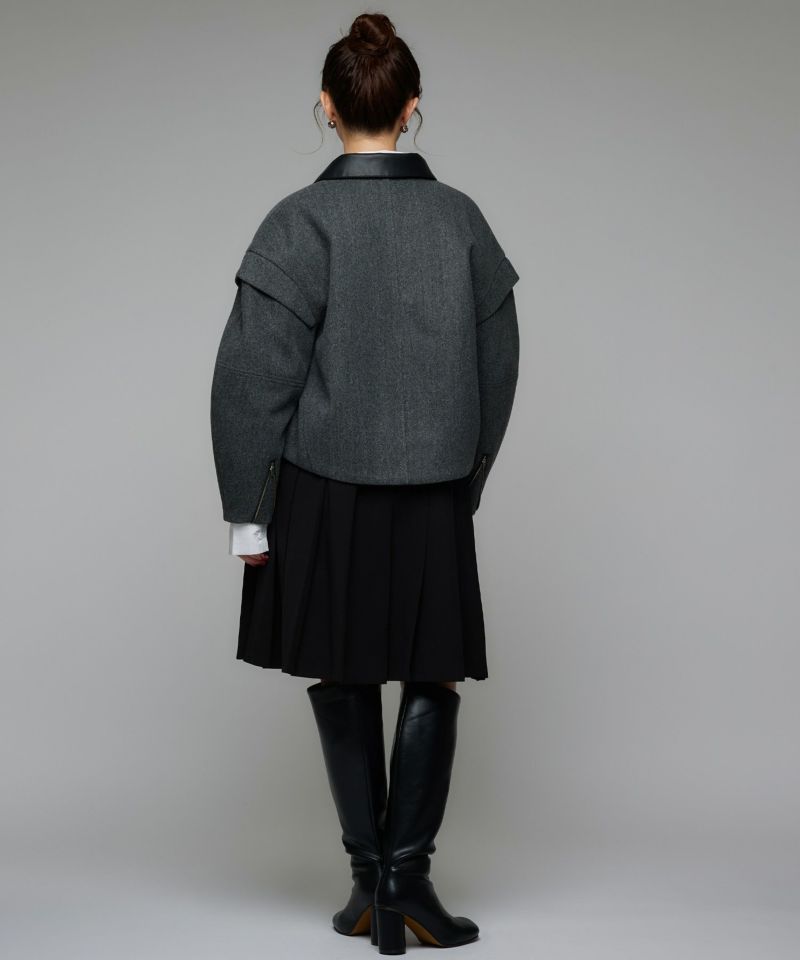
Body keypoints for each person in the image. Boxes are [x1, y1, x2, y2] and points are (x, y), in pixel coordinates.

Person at [210, 11, 520, 954]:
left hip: (324, 486)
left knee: (344, 670)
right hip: (434, 484)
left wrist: (248, 512)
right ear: (413, 106)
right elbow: (499, 364)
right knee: (433, 670)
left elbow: (249, 377)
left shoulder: (298, 221)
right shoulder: (461, 219)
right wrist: (466, 475)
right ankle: (403, 882)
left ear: (327, 106)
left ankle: (368, 886)